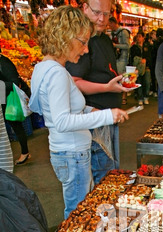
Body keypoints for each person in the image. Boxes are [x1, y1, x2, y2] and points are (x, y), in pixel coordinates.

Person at [29, 5, 128, 219]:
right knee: (77, 214)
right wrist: (105, 115)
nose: (85, 50)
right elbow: (62, 120)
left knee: (79, 208)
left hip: (68, 152)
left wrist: (88, 109)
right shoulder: (56, 73)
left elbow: (50, 108)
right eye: (82, 43)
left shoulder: (43, 68)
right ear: (64, 38)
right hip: (72, 153)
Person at [66, 0, 129, 185]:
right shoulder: (81, 40)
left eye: (107, 14)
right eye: (96, 12)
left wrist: (119, 81)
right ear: (85, 8)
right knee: (102, 175)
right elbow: (74, 82)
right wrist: (107, 88)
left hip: (108, 117)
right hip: (93, 118)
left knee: (111, 171)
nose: (102, 19)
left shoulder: (104, 38)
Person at [0, 47, 32, 165]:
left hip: (9, 99)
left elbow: (14, 83)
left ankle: (25, 152)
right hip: (3, 98)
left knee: (15, 124)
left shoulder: (4, 63)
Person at [108, 16, 130, 105]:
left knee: (122, 76)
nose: (109, 26)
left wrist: (115, 45)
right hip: (115, 57)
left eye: (110, 24)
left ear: (113, 23)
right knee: (117, 76)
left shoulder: (123, 32)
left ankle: (124, 96)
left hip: (122, 58)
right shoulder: (112, 33)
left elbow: (127, 46)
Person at [129, 31, 151, 106]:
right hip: (137, 68)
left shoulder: (147, 46)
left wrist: (146, 61)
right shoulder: (133, 47)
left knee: (147, 82)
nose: (138, 38)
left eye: (140, 36)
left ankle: (146, 96)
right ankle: (140, 98)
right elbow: (132, 58)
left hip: (146, 67)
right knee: (139, 83)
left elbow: (151, 56)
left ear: (143, 38)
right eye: (137, 36)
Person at [151, 27, 163, 96]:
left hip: (155, 62)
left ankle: (155, 91)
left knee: (155, 77)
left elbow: (153, 54)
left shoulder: (155, 44)